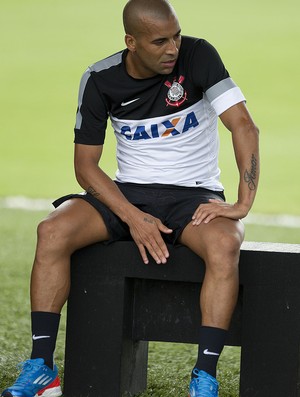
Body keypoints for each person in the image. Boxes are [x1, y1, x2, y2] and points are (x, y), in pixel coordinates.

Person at [2, 0, 259, 396]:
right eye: (160, 41)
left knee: (226, 244)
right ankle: (42, 370)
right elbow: (86, 167)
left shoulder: (199, 54)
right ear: (131, 42)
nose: (173, 48)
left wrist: (243, 203)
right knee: (51, 231)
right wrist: (132, 216)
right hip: (127, 194)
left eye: (175, 36)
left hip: (194, 196)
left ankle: (204, 378)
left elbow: (243, 124)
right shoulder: (100, 78)